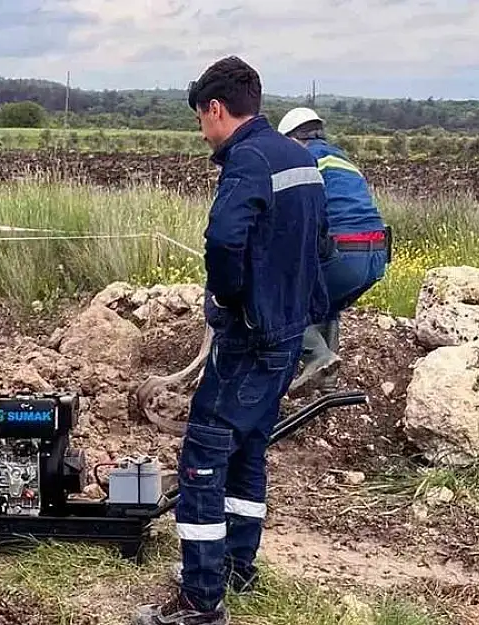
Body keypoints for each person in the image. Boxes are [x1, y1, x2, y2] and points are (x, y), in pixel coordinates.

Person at [133, 57, 329, 625]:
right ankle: (237, 567)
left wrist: (227, 298)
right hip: (290, 332)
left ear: (216, 109)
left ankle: (199, 598)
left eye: (201, 119)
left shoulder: (246, 160)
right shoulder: (302, 157)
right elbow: (322, 246)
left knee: (202, 454)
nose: (203, 132)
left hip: (251, 335)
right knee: (247, 451)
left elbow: (223, 241)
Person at [278, 107, 390, 396]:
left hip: (345, 250)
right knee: (325, 304)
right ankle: (327, 384)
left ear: (291, 139)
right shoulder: (342, 159)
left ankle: (318, 357)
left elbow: (294, 211)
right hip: (377, 253)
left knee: (279, 301)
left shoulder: (302, 158)